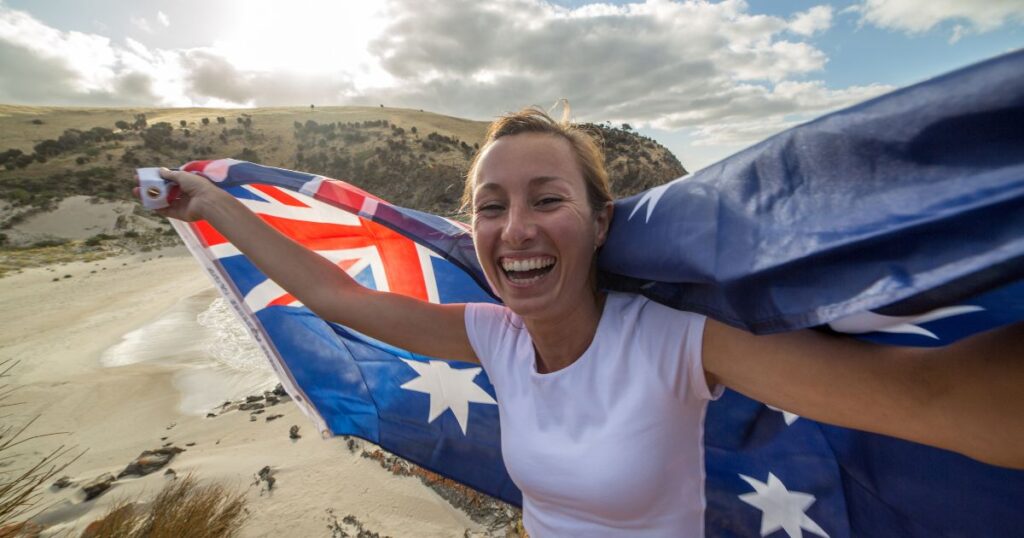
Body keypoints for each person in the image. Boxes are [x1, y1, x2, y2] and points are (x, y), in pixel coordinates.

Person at [141, 108, 1024, 536]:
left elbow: (924, 399)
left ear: (602, 222)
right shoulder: (491, 336)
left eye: (546, 199)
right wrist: (217, 206)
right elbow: (338, 298)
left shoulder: (678, 344)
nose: (515, 228)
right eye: (491, 207)